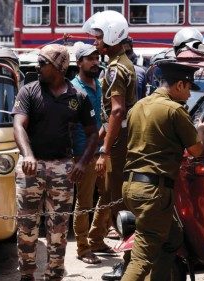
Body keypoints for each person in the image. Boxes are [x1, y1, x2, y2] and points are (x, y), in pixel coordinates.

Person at [120, 62, 204, 281]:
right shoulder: (174, 110)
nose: (188, 95)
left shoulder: (138, 106)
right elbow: (196, 149)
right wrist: (203, 129)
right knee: (141, 258)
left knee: (172, 239)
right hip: (153, 192)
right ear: (179, 85)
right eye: (188, 89)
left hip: (132, 187)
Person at [13, 44, 98, 281]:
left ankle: (54, 275)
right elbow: (19, 125)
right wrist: (28, 155)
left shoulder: (78, 97)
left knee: (59, 230)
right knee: (27, 228)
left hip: (63, 169)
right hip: (31, 168)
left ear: (59, 67)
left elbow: (93, 133)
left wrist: (82, 163)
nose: (38, 67)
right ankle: (27, 275)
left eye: (43, 63)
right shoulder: (29, 91)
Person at [83, 10, 137, 280]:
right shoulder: (123, 63)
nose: (95, 42)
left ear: (112, 36)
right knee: (118, 200)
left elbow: (117, 112)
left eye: (99, 37)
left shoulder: (116, 69)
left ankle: (129, 262)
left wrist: (105, 149)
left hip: (118, 144)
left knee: (118, 203)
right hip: (121, 139)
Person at [70, 42, 112, 264]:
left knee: (108, 194)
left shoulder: (98, 84)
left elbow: (104, 117)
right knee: (84, 201)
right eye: (90, 59)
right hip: (83, 153)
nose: (96, 62)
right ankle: (82, 248)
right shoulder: (74, 89)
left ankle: (96, 238)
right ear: (79, 63)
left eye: (97, 58)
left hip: (101, 149)